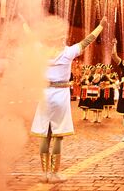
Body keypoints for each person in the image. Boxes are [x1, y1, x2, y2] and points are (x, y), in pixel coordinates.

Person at [30, 16, 107, 183]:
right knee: (58, 135)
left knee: (44, 135)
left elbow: (29, 37)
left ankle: (44, 174)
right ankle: (54, 173)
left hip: (44, 94)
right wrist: (100, 26)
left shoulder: (40, 50)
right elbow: (88, 41)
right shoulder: (67, 52)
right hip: (60, 94)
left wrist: (23, 23)